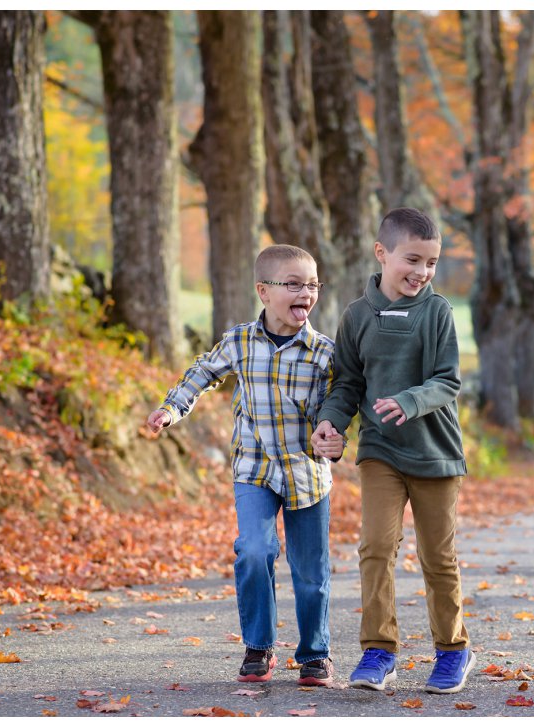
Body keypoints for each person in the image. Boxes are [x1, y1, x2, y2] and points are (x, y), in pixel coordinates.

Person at [146, 244, 344, 687]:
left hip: (306, 473)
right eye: (293, 284)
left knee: (310, 570)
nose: (306, 293)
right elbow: (203, 372)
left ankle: (315, 654)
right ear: (264, 291)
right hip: (253, 469)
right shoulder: (239, 340)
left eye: (312, 284)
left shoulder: (324, 353)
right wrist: (171, 409)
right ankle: (259, 646)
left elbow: (342, 405)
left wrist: (335, 436)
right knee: (254, 551)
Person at [311, 207, 473, 695]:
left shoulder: (437, 312)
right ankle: (378, 650)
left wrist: (409, 400)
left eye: (431, 262)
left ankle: (453, 650)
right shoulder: (357, 316)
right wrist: (330, 422)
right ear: (382, 253)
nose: (421, 272)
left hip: (435, 454)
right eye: (412, 259)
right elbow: (348, 382)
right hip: (380, 451)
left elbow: (447, 381)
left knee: (436, 556)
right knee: (376, 548)